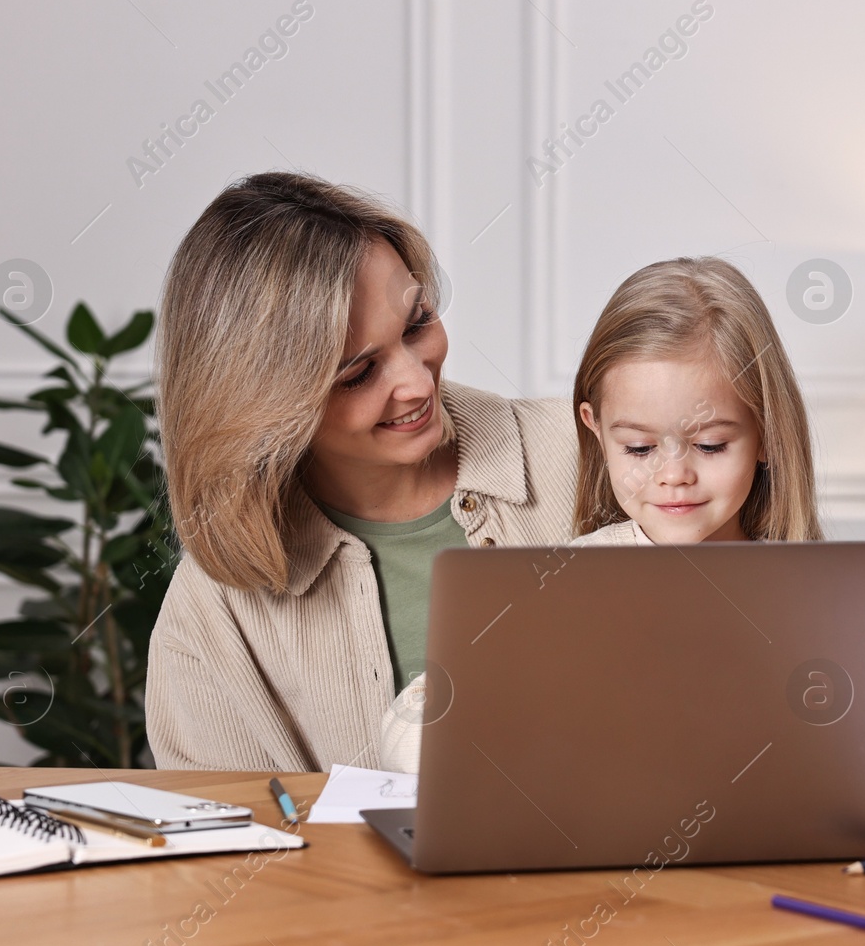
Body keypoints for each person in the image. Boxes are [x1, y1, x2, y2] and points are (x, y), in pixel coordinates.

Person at [381, 256, 865, 784]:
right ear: (596, 429)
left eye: (710, 446)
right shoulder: (567, 582)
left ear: (766, 434)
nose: (673, 476)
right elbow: (410, 727)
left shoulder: (817, 598)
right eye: (639, 448)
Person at [148, 172, 576, 770]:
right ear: (261, 403)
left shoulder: (595, 458)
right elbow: (231, 851)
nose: (416, 381)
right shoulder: (211, 617)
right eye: (358, 373)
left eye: (418, 323)